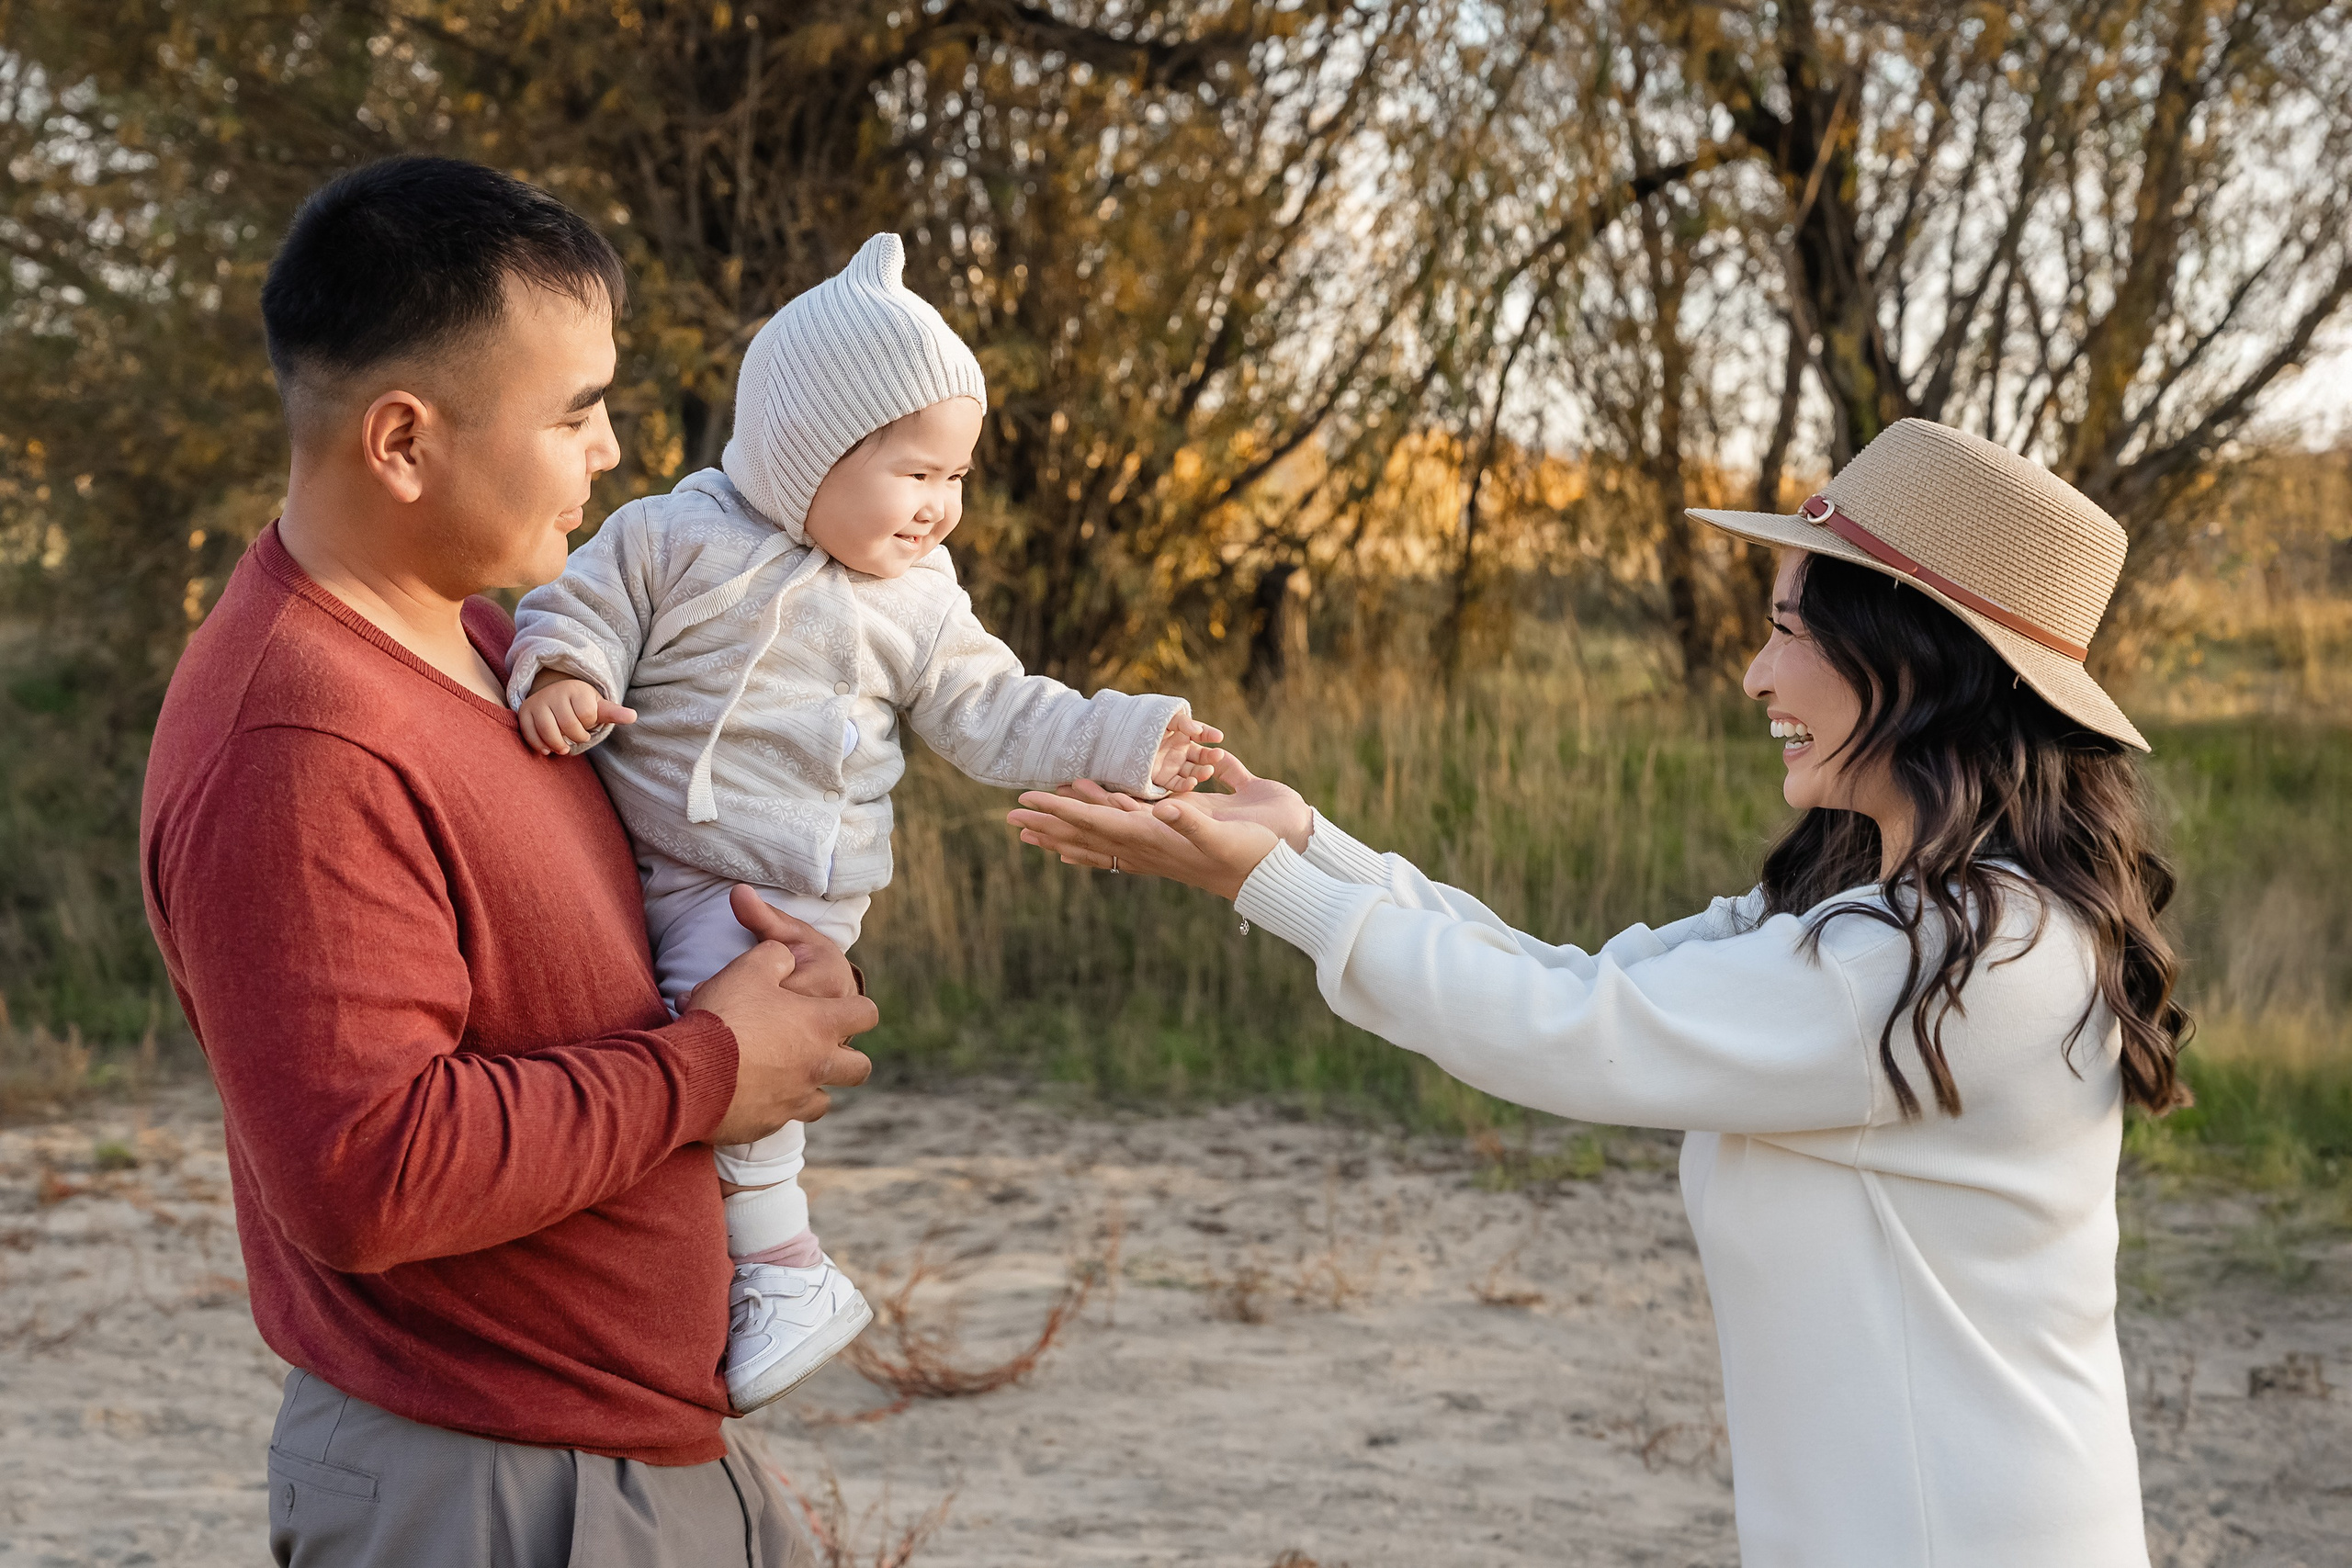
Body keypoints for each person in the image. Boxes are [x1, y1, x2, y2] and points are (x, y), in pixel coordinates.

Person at [1007, 417, 2188, 1568]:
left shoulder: (1959, 958)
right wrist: (1310, 846)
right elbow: (1575, 983)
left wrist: (1266, 886)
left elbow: (1573, 1037)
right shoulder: (1897, 919)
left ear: (1916, 660)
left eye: (1788, 632)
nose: (1752, 672)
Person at [140, 156, 876, 1567]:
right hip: (484, 1488)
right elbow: (366, 1170)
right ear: (404, 441)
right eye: (577, 410)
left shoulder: (488, 646)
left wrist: (756, 972)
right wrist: (713, 1070)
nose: (611, 450)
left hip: (629, 1452)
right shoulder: (299, 739)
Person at [503, 231, 1223, 1413]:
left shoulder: (918, 604)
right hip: (652, 858)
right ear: (807, 450)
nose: (940, 508)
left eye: (956, 480)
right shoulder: (676, 536)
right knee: (646, 1051)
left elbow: (997, 710)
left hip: (777, 889)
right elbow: (578, 607)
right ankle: (701, 1266)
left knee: (726, 1047)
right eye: (916, 473)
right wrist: (563, 679)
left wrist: (1125, 741)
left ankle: (784, 1269)